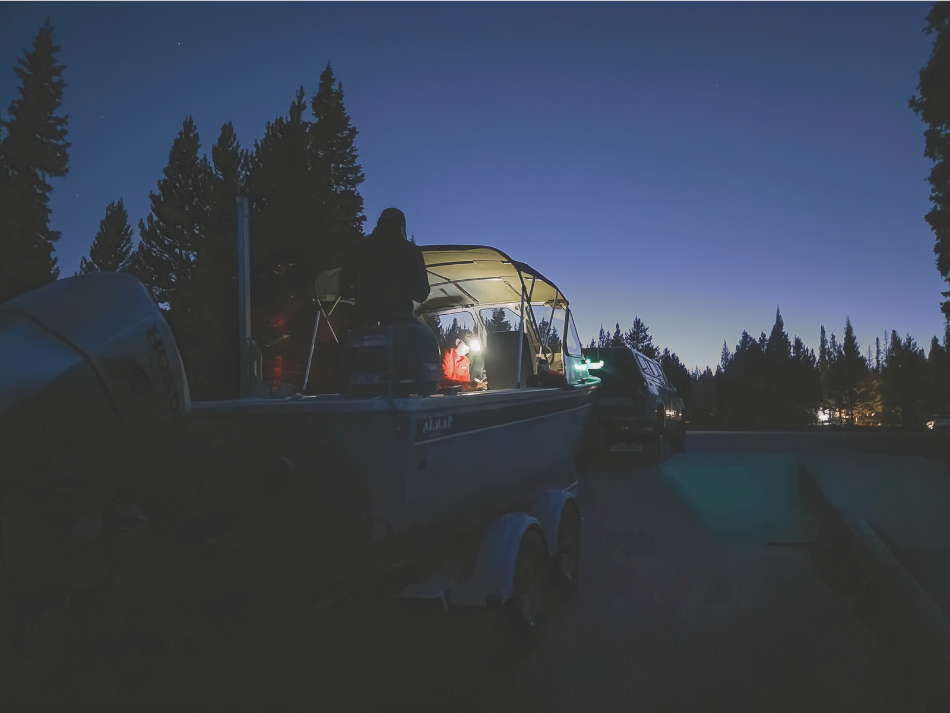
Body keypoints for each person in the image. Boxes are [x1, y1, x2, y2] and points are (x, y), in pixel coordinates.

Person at [340, 208, 430, 327]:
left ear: (379, 223)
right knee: (427, 339)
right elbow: (422, 294)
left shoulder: (359, 249)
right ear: (402, 226)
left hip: (364, 322)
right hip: (400, 323)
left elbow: (344, 288)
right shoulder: (412, 252)